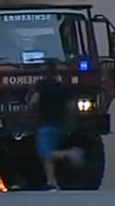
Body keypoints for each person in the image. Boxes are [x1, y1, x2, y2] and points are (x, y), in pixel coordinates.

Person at [29, 60, 83, 189]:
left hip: (45, 125)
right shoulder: (63, 88)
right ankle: (51, 182)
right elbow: (71, 107)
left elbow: (34, 101)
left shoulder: (41, 86)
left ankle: (70, 154)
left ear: (44, 72)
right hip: (60, 125)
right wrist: (70, 123)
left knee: (46, 154)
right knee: (47, 155)